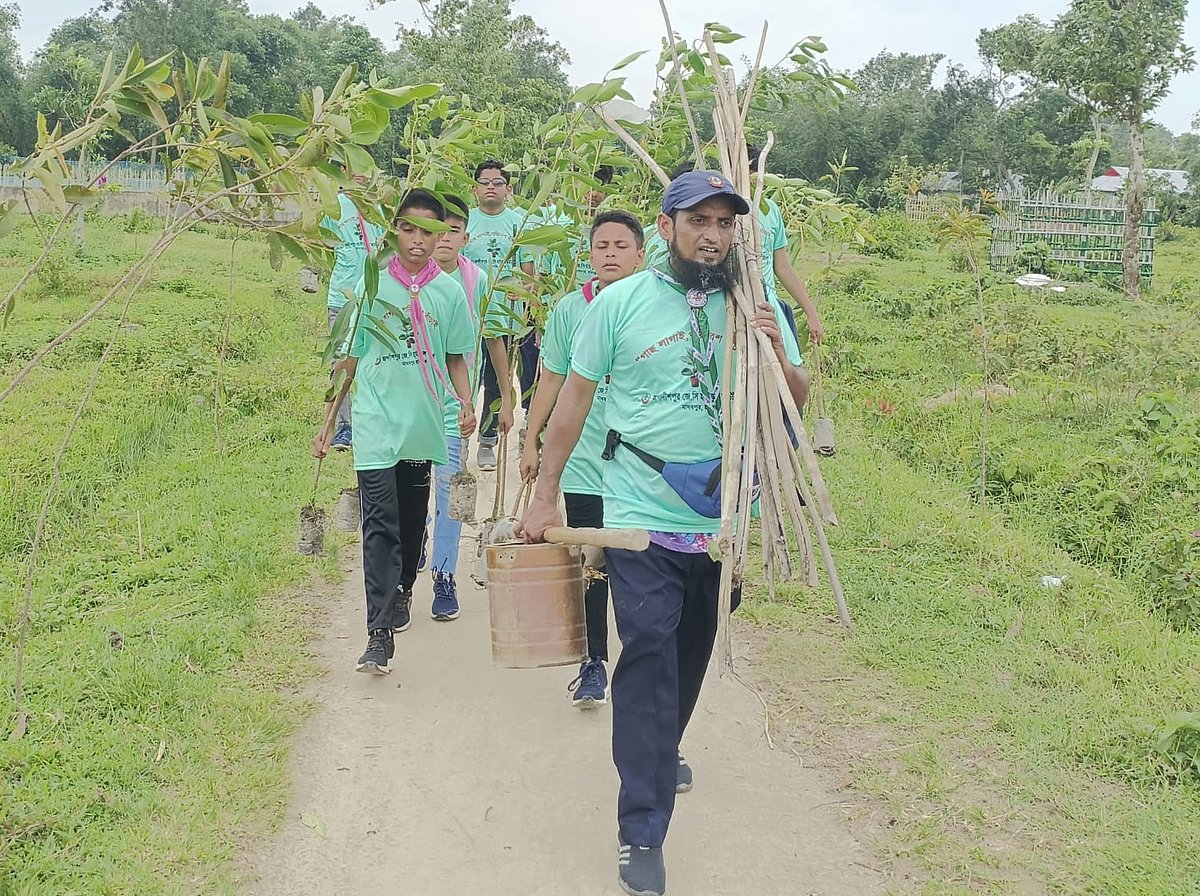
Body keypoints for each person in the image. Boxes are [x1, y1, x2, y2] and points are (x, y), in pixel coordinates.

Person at [516, 171, 804, 896]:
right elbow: (574, 400)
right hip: (639, 514)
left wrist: (776, 352)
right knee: (646, 651)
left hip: (724, 519)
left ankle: (659, 745)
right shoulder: (618, 306)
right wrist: (545, 493)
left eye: (725, 223)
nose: (712, 235)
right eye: (698, 220)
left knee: (690, 654)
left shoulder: (754, 305)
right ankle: (642, 827)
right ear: (665, 226)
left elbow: (796, 401)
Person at [313, 190, 478, 674]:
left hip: (421, 425)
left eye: (428, 231)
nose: (418, 240)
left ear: (442, 235)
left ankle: (405, 583)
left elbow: (455, 356)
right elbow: (349, 362)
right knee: (379, 523)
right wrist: (329, 423)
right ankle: (378, 634)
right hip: (374, 422)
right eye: (408, 229)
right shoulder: (371, 287)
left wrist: (466, 403)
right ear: (395, 231)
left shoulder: (449, 294)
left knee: (410, 518)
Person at [519, 210, 645, 708]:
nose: (610, 254)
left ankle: (641, 660)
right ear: (589, 255)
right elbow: (551, 379)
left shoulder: (655, 307)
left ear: (640, 255)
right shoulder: (570, 310)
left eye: (621, 246)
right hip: (585, 464)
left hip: (639, 473)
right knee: (591, 564)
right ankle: (594, 661)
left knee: (637, 566)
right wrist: (531, 441)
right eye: (601, 246)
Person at [425, 194, 515, 619]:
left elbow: (494, 339)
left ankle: (444, 574)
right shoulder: (404, 279)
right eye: (438, 229)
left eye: (454, 230)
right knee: (412, 490)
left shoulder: (478, 282)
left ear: (466, 237)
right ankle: (416, 542)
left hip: (453, 408)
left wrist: (506, 398)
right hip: (408, 409)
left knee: (449, 488)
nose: (444, 237)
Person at [462, 160, 534, 471]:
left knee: (496, 379)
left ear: (508, 189)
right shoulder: (465, 221)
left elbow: (529, 272)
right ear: (474, 188)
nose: (490, 187)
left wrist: (524, 288)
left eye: (497, 182)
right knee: (465, 377)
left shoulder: (519, 223)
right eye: (484, 182)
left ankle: (487, 440)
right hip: (468, 316)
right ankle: (459, 439)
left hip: (505, 318)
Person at [321, 184, 384, 450]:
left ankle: (372, 422)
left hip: (374, 298)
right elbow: (320, 243)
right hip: (342, 298)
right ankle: (343, 425)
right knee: (340, 362)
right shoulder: (333, 205)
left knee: (375, 361)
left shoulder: (380, 206)